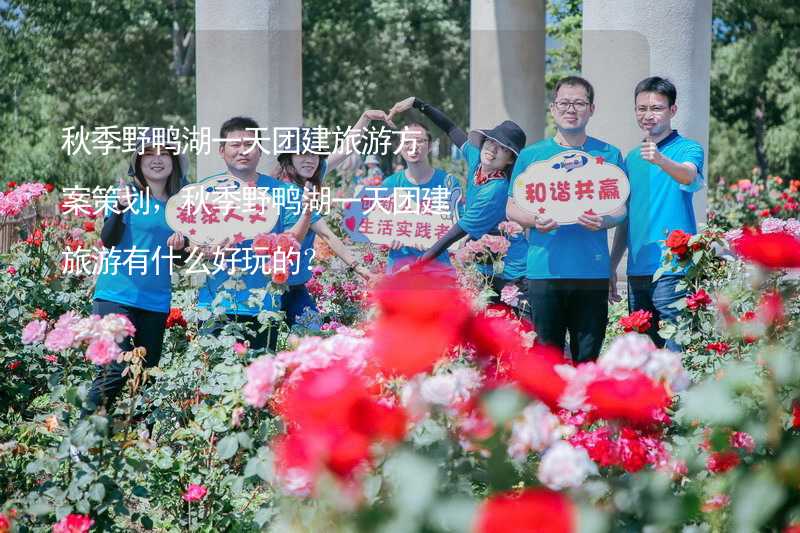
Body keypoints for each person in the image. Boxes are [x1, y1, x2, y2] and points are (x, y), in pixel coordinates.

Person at [506, 76, 627, 362]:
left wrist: (604, 220)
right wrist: (534, 220)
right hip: (544, 271)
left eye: (579, 103)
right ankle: (550, 409)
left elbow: (621, 209)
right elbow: (511, 207)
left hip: (591, 272)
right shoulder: (532, 156)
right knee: (547, 359)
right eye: (564, 103)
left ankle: (585, 409)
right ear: (553, 108)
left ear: (592, 109)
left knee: (588, 359)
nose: (571, 109)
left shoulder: (609, 155)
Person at [387, 96, 528, 305]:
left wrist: (417, 264)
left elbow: (456, 232)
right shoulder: (477, 161)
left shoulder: (496, 190)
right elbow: (451, 128)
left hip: (512, 272)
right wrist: (418, 104)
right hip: (484, 266)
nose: (493, 150)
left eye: (503, 149)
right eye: (491, 142)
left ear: (510, 160)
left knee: (518, 333)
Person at [85, 130, 188, 412]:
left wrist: (179, 245)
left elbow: (178, 258)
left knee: (146, 378)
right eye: (149, 153)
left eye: (164, 153)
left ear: (174, 160)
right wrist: (118, 208)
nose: (157, 159)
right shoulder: (125, 194)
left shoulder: (179, 205)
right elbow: (109, 239)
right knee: (113, 373)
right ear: (138, 161)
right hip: (116, 296)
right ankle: (80, 444)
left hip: (155, 302)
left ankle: (137, 444)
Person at [196, 116, 312, 350]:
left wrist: (307, 213)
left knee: (259, 380)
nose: (243, 151)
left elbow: (292, 240)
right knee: (214, 381)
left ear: (260, 151)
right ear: (221, 150)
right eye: (235, 145)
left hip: (264, 305)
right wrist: (207, 249)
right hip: (215, 305)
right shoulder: (204, 190)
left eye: (249, 145)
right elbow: (191, 243)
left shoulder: (285, 192)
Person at [610, 76, 704, 352]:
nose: (647, 115)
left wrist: (661, 159)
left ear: (672, 111)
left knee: (678, 355)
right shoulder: (631, 158)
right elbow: (626, 217)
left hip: (673, 270)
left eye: (656, 108)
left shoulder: (688, 148)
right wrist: (612, 264)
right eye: (641, 108)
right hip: (638, 269)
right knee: (644, 358)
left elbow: (689, 176)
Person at [276, 122, 382, 329]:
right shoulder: (291, 192)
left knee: (309, 339)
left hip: (296, 284)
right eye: (302, 154)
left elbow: (344, 149)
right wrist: (361, 269)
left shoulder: (306, 178)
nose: (309, 159)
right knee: (308, 337)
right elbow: (328, 236)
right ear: (289, 159)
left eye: (314, 155)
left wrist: (365, 118)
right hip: (276, 286)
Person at [369, 121, 462, 275]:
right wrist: (387, 238)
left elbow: (459, 225)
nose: (413, 146)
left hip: (438, 272)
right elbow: (377, 227)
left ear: (430, 145)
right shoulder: (390, 184)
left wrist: (434, 242)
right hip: (399, 271)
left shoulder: (449, 182)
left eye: (419, 140)